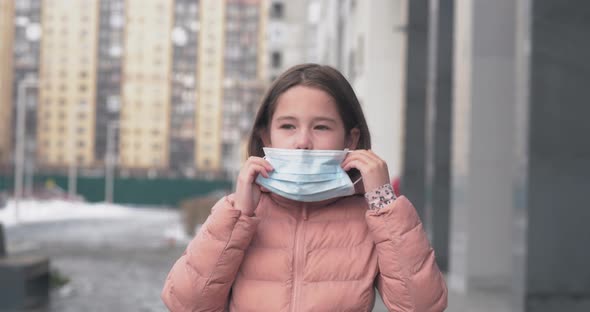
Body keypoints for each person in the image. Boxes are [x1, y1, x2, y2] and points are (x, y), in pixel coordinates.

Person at [161, 64, 447, 312]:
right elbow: (186, 304)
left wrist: (384, 205)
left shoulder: (371, 218)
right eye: (287, 126)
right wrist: (237, 216)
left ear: (351, 138)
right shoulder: (241, 215)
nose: (302, 142)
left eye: (321, 127)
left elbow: (421, 306)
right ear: (265, 135)